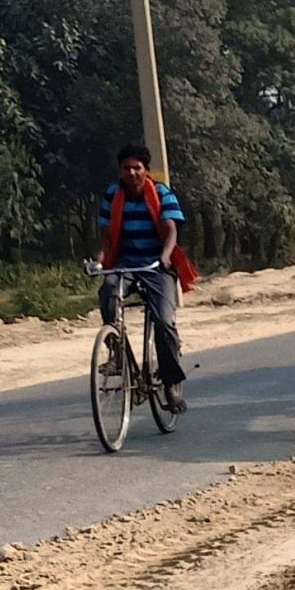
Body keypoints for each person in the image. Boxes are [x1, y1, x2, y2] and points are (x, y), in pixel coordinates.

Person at [98, 144, 188, 411]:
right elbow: (105, 237)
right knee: (108, 293)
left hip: (156, 265)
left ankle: (171, 383)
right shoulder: (112, 195)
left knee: (163, 321)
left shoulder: (162, 193)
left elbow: (171, 230)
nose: (132, 172)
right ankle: (116, 354)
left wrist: (166, 256)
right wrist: (99, 260)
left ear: (146, 171)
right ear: (120, 171)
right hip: (124, 263)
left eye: (137, 168)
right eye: (126, 168)